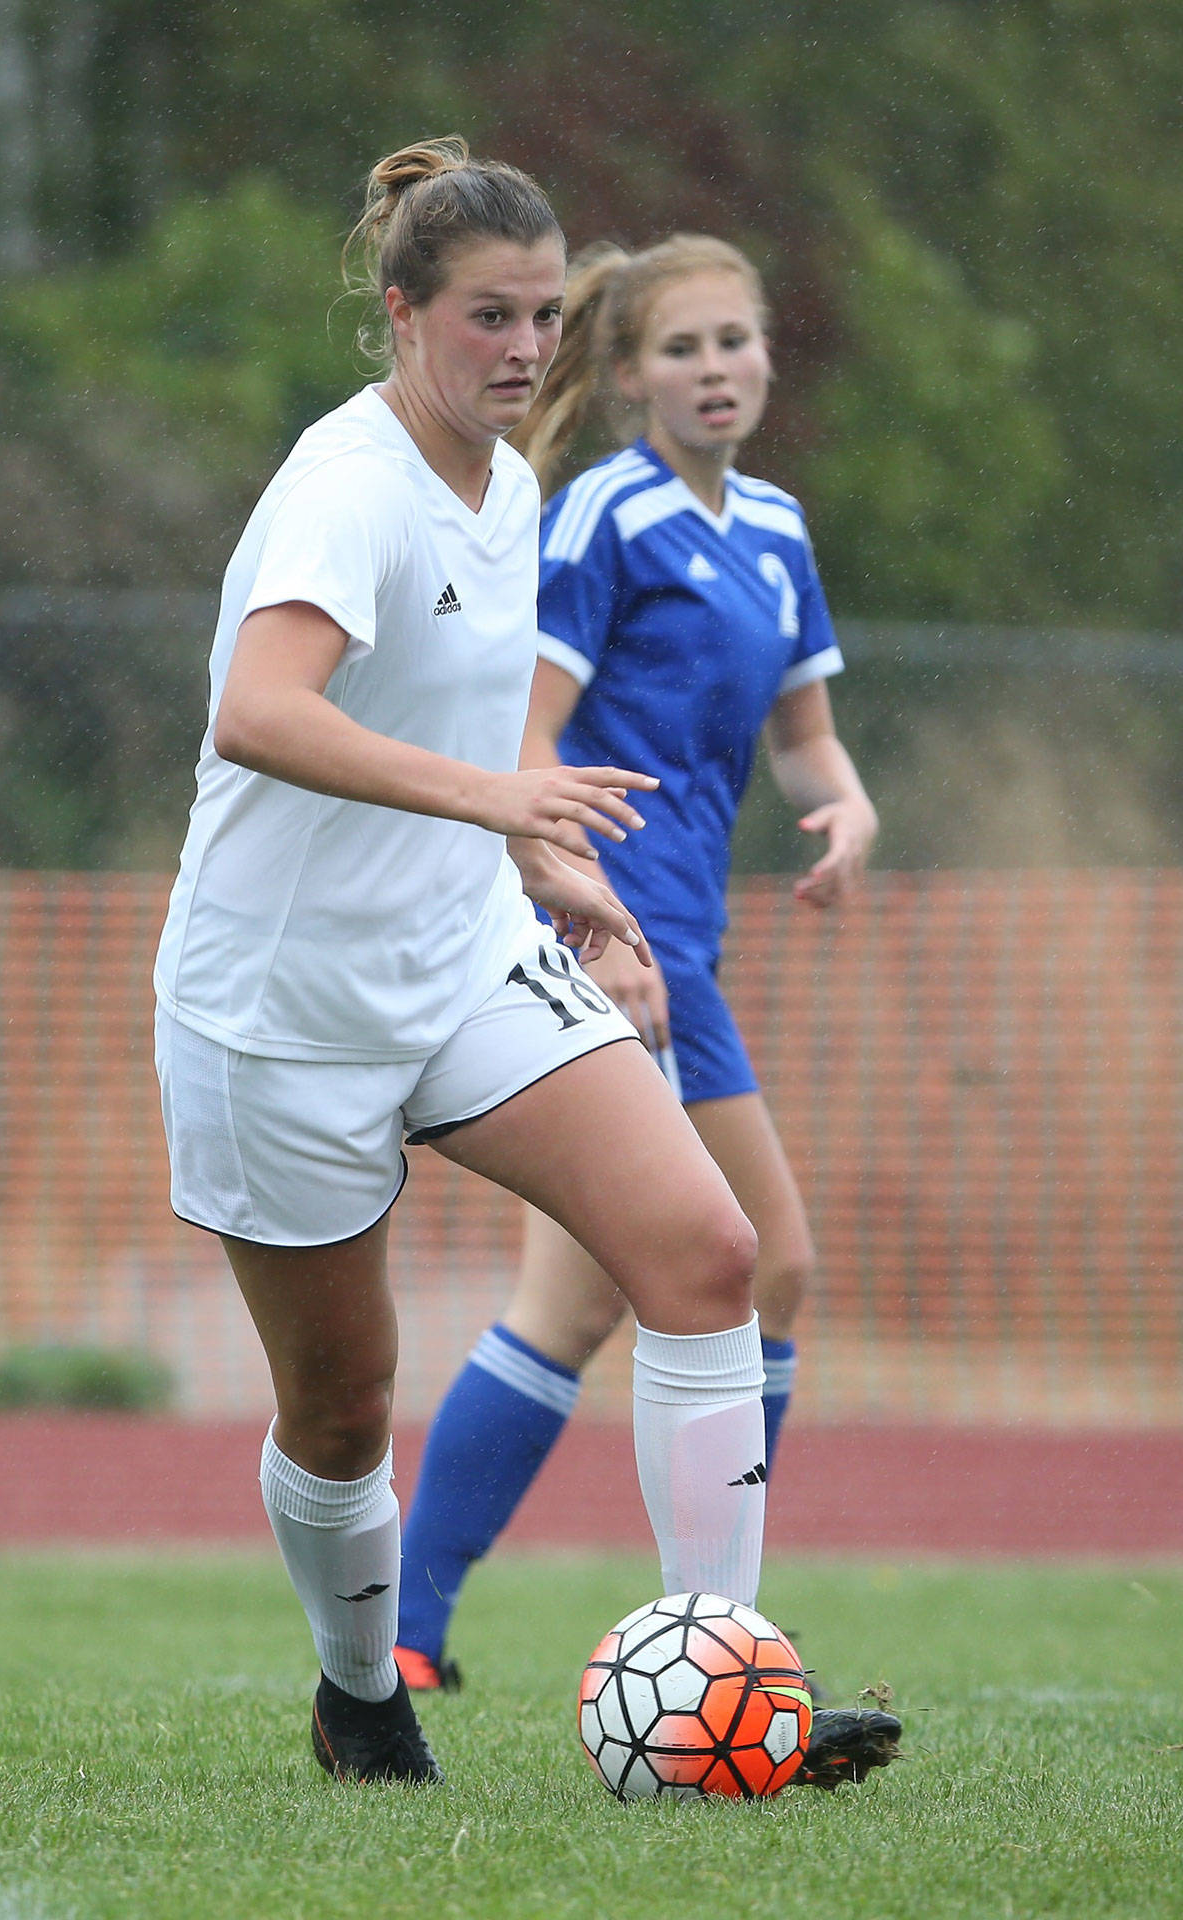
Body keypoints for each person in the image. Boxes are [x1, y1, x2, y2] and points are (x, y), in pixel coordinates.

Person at [154, 139, 896, 1791]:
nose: (519, 349)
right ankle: (363, 1695)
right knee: (343, 1413)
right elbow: (259, 715)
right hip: (281, 1010)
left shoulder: (518, 493)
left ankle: (728, 1696)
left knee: (708, 1254)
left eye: (545, 318)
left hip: (463, 959)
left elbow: (466, 751)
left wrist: (554, 868)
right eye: (488, 315)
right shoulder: (346, 482)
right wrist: (507, 796)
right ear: (405, 312)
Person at [396, 234, 883, 1744]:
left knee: (607, 1289)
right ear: (623, 380)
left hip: (692, 948)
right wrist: (590, 914)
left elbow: (803, 732)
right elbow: (522, 745)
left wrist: (848, 806)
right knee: (752, 1261)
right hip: (620, 941)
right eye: (682, 349)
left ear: (768, 361)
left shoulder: (779, 528)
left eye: (738, 341)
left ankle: (422, 1631)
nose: (717, 367)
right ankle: (724, 1638)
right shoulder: (604, 517)